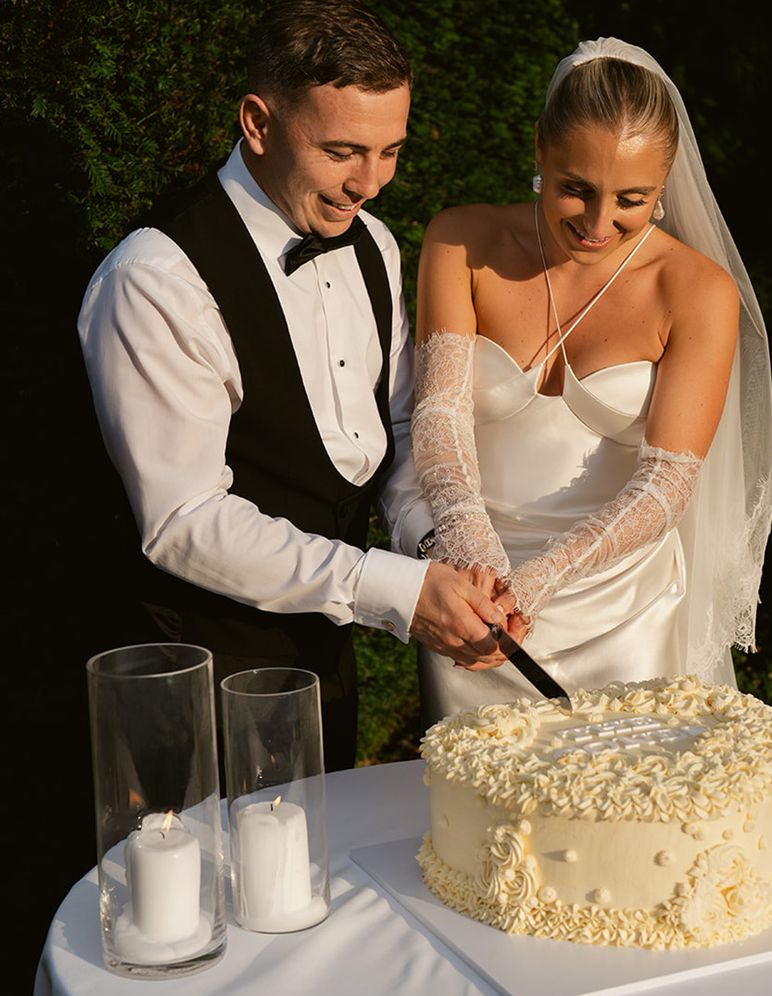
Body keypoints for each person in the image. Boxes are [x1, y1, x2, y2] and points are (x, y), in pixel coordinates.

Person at [77, 0, 508, 772]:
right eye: (342, 150)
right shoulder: (157, 279)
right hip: (193, 674)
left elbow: (400, 430)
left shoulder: (373, 244)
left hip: (324, 663)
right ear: (257, 122)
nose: (369, 184)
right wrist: (395, 590)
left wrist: (437, 555)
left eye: (390, 151)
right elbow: (182, 518)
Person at [412, 38, 772, 723]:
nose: (598, 222)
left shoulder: (696, 290)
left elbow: (667, 481)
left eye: (631, 199)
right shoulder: (460, 242)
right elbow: (436, 418)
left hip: (623, 612)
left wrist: (541, 579)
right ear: (540, 149)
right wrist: (475, 555)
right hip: (473, 601)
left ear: (665, 185)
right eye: (575, 188)